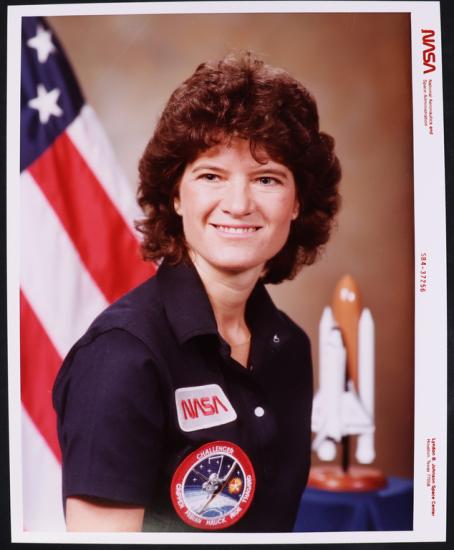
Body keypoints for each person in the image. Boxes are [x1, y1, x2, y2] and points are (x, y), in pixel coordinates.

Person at [52, 51, 341, 532]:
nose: (239, 203)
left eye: (267, 178)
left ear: (297, 205)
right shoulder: (122, 357)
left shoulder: (289, 346)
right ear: (176, 194)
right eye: (211, 175)